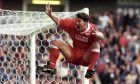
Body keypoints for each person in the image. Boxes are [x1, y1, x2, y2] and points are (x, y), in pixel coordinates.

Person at [38, 3, 104, 79]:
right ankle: (51, 67)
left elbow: (101, 37)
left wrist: (99, 34)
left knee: (96, 45)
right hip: (73, 55)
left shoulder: (93, 29)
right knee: (56, 42)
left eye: (79, 21)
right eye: (76, 20)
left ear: (86, 23)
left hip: (85, 59)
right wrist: (50, 15)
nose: (76, 23)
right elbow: (59, 21)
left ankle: (90, 69)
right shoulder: (72, 24)